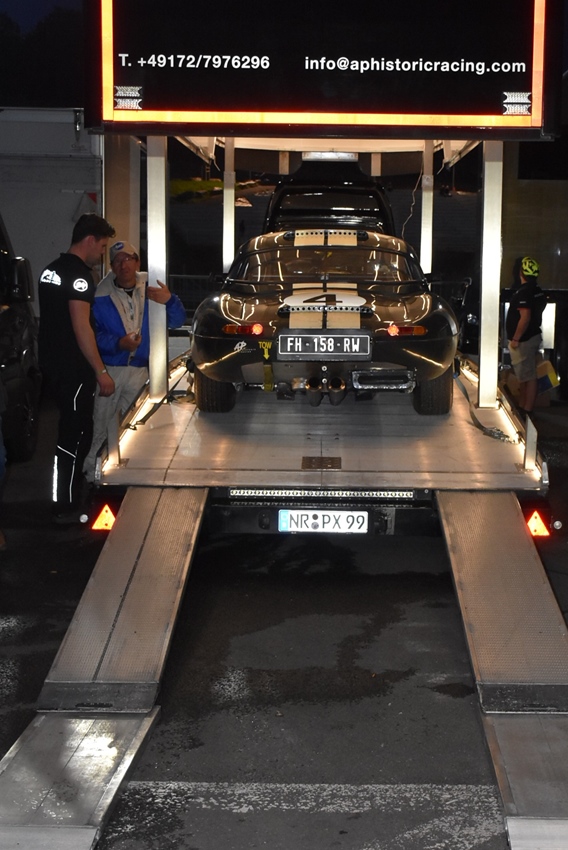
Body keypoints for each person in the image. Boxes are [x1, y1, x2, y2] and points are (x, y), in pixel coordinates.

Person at [83, 240, 186, 482]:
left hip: (140, 371)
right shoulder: (100, 295)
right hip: (111, 371)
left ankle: (130, 475)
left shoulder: (153, 287)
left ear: (137, 262)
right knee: (101, 425)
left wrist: (170, 300)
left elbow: (177, 320)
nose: (123, 265)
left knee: (135, 427)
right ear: (111, 266)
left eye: (128, 259)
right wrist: (119, 343)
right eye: (118, 261)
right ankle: (91, 476)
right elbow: (93, 336)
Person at [39, 213, 116, 523]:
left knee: (67, 433)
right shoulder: (80, 276)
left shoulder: (50, 270)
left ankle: (64, 496)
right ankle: (66, 503)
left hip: (53, 365)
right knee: (76, 433)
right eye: (103, 246)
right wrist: (100, 371)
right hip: (74, 368)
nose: (102, 253)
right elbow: (81, 327)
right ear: (90, 240)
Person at [506, 256, 547, 416]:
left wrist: (516, 339)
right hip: (532, 336)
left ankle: (526, 410)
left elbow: (525, 317)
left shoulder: (524, 293)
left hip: (524, 340)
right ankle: (523, 406)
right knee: (524, 375)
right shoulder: (537, 291)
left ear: (521, 273)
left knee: (528, 376)